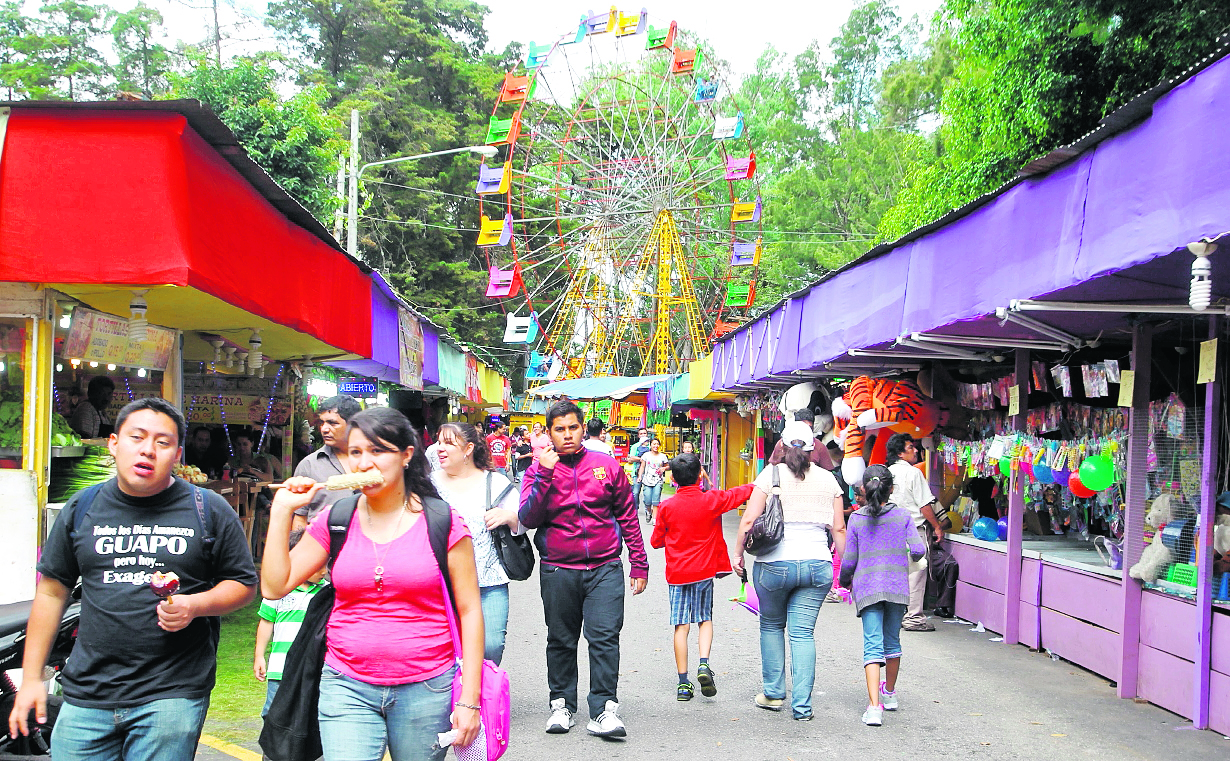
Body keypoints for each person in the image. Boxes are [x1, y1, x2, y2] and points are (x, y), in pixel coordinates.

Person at [9, 398, 258, 760]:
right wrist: (32, 677)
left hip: (171, 693)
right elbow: (50, 593)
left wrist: (195, 604)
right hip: (87, 692)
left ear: (177, 453)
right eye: (136, 437)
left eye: (162, 442)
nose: (148, 450)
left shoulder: (208, 509)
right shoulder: (82, 507)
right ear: (113, 444)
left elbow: (243, 584)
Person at [261, 407, 483, 761]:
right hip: (345, 683)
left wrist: (470, 698)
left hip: (426, 686)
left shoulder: (443, 522)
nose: (364, 463)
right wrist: (282, 510)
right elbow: (275, 586)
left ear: (407, 455)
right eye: (356, 452)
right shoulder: (335, 519)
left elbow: (470, 611)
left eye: (378, 451)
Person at [519, 400, 649, 739]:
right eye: (559, 429)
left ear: (583, 429)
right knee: (561, 639)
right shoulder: (536, 470)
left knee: (605, 638)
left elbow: (628, 516)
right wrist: (546, 473)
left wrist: (639, 562)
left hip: (605, 566)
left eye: (572, 428)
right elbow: (528, 518)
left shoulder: (606, 466)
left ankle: (604, 710)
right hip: (558, 569)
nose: (567, 435)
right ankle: (561, 704)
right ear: (549, 433)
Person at [732, 420, 845, 722]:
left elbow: (747, 521)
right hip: (817, 566)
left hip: (774, 566)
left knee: (771, 626)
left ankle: (773, 693)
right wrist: (844, 571)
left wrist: (738, 555)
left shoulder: (770, 476)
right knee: (803, 634)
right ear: (813, 449)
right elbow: (839, 528)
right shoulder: (829, 480)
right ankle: (803, 708)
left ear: (780, 446)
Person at [649, 453, 753, 701]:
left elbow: (655, 542)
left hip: (677, 574)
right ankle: (704, 664)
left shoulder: (667, 507)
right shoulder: (712, 500)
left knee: (681, 626)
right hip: (704, 571)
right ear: (700, 475)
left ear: (672, 478)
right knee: (704, 619)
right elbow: (740, 493)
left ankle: (683, 683)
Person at [839, 465, 926, 727]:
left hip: (868, 589)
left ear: (864, 489)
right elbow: (919, 548)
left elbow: (849, 561)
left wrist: (844, 581)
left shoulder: (856, 519)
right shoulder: (902, 516)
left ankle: (874, 708)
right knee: (892, 643)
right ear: (892, 488)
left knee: (872, 645)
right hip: (897, 587)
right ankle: (889, 694)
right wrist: (906, 557)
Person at [431, 422, 522, 664]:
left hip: (488, 581)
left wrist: (509, 518)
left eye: (448, 443)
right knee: (446, 649)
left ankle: (483, 696)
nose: (440, 448)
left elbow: (523, 522)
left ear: (468, 448)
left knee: (491, 646)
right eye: (439, 442)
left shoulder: (495, 483)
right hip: (440, 585)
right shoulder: (428, 486)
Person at [254, 528, 329, 717]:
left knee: (309, 714)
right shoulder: (277, 589)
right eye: (318, 564)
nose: (324, 571)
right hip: (280, 667)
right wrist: (259, 656)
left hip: (312, 667)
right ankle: (273, 747)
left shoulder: (327, 592)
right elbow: (266, 621)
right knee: (274, 712)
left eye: (325, 564)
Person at [884, 433, 945, 632]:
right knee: (916, 573)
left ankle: (895, 614)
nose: (916, 450)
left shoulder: (886, 473)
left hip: (890, 530)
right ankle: (913, 618)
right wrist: (936, 525)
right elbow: (924, 505)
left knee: (896, 573)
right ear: (901, 453)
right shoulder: (913, 473)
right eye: (911, 447)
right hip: (912, 530)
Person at [291, 394, 362, 528]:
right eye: (322, 423)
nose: (324, 429)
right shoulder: (310, 465)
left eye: (332, 423)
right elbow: (300, 517)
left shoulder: (372, 461)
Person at [767, 410, 834, 469]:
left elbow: (828, 471)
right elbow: (772, 466)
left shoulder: (819, 446)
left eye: (808, 427)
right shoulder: (782, 443)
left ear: (813, 428)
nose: (805, 430)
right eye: (802, 426)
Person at [638, 438, 669, 523]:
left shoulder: (663, 456)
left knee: (656, 500)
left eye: (657, 444)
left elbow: (668, 466)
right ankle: (648, 511)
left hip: (658, 481)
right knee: (647, 499)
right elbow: (642, 466)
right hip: (647, 480)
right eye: (654, 444)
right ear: (650, 445)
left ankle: (655, 519)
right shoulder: (646, 455)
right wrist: (640, 476)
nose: (656, 446)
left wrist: (664, 468)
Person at [627, 427, 652, 511]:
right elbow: (631, 458)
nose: (643, 435)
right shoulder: (635, 446)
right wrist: (641, 459)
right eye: (641, 434)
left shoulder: (651, 446)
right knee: (635, 492)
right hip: (636, 472)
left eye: (644, 433)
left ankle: (648, 509)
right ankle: (635, 508)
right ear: (638, 436)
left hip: (649, 472)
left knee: (648, 493)